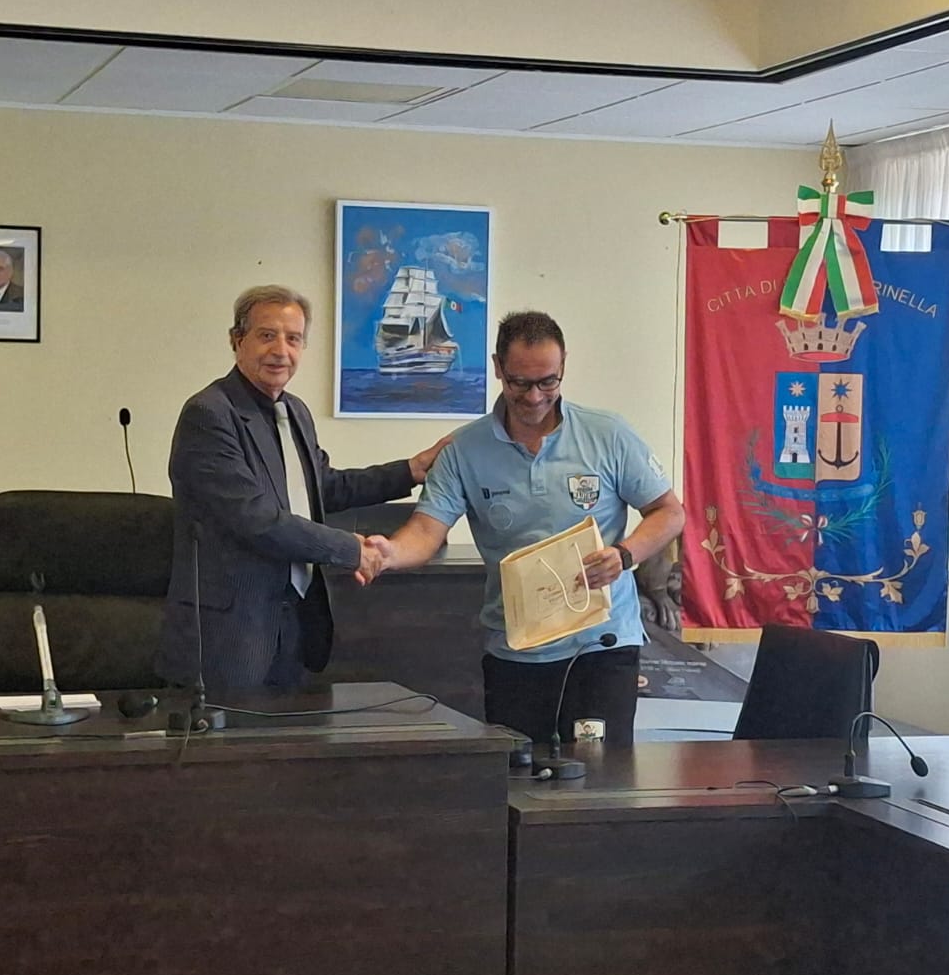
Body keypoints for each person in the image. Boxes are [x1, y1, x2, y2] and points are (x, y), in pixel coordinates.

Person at [360, 310, 684, 745]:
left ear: (564, 366)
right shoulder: (464, 450)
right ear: (498, 368)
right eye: (519, 383)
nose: (534, 397)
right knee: (518, 774)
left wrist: (625, 555)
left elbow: (669, 512)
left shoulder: (608, 434)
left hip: (601, 646)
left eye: (548, 382)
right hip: (515, 651)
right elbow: (425, 530)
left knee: (601, 776)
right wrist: (389, 554)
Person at [158, 285, 451, 695]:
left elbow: (322, 487)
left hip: (295, 623)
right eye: (267, 335)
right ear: (237, 340)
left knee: (291, 734)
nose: (281, 351)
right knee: (234, 738)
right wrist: (351, 549)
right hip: (230, 636)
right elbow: (255, 519)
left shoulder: (293, 411)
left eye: (293, 338)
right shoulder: (209, 415)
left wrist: (409, 471)